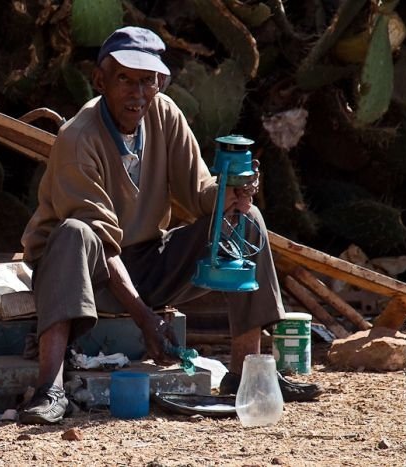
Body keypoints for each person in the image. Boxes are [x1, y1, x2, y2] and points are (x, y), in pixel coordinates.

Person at [18, 26, 322, 425]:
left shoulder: (164, 115)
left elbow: (199, 194)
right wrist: (145, 318)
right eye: (125, 79)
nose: (137, 93)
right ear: (100, 80)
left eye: (148, 81)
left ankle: (245, 373)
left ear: (160, 83)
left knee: (245, 220)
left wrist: (232, 191)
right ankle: (49, 389)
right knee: (77, 233)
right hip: (83, 276)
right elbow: (102, 243)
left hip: (147, 263)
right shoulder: (78, 138)